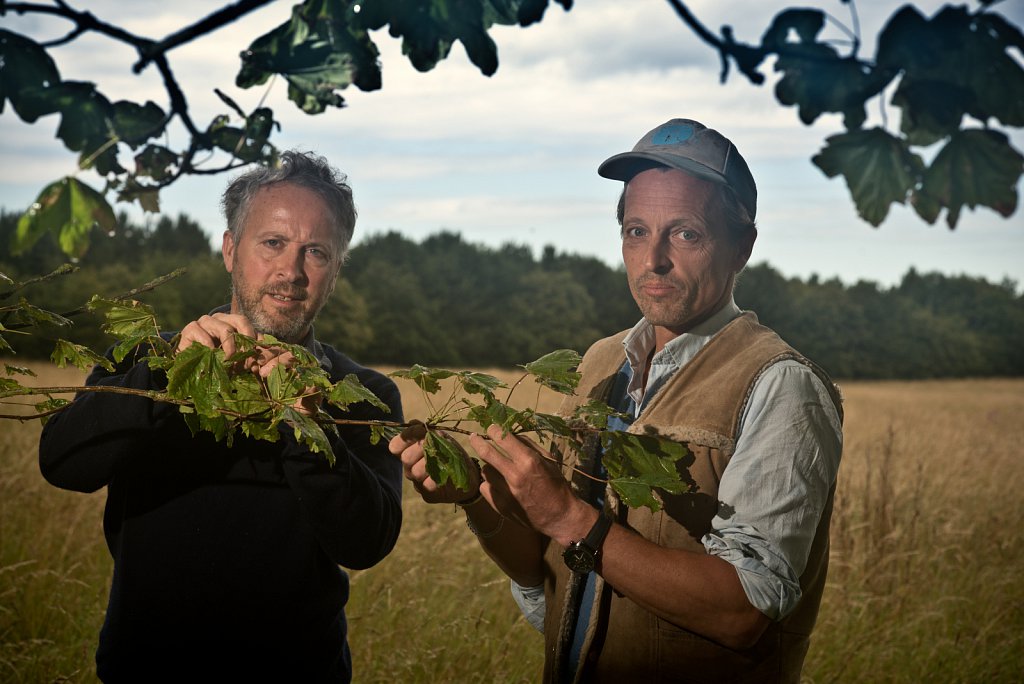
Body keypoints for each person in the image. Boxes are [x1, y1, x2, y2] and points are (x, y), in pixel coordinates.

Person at [391, 119, 843, 683]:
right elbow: (546, 574)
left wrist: (566, 514)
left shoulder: (780, 385)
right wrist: (480, 500)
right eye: (635, 231)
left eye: (686, 234)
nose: (652, 259)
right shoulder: (598, 365)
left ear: (742, 247)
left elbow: (743, 610)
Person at [39, 151, 403, 683]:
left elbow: (367, 543)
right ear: (230, 250)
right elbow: (63, 463)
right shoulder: (148, 358)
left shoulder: (364, 396)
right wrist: (167, 378)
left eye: (316, 252)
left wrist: (304, 424)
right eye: (273, 243)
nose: (292, 271)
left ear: (335, 270)